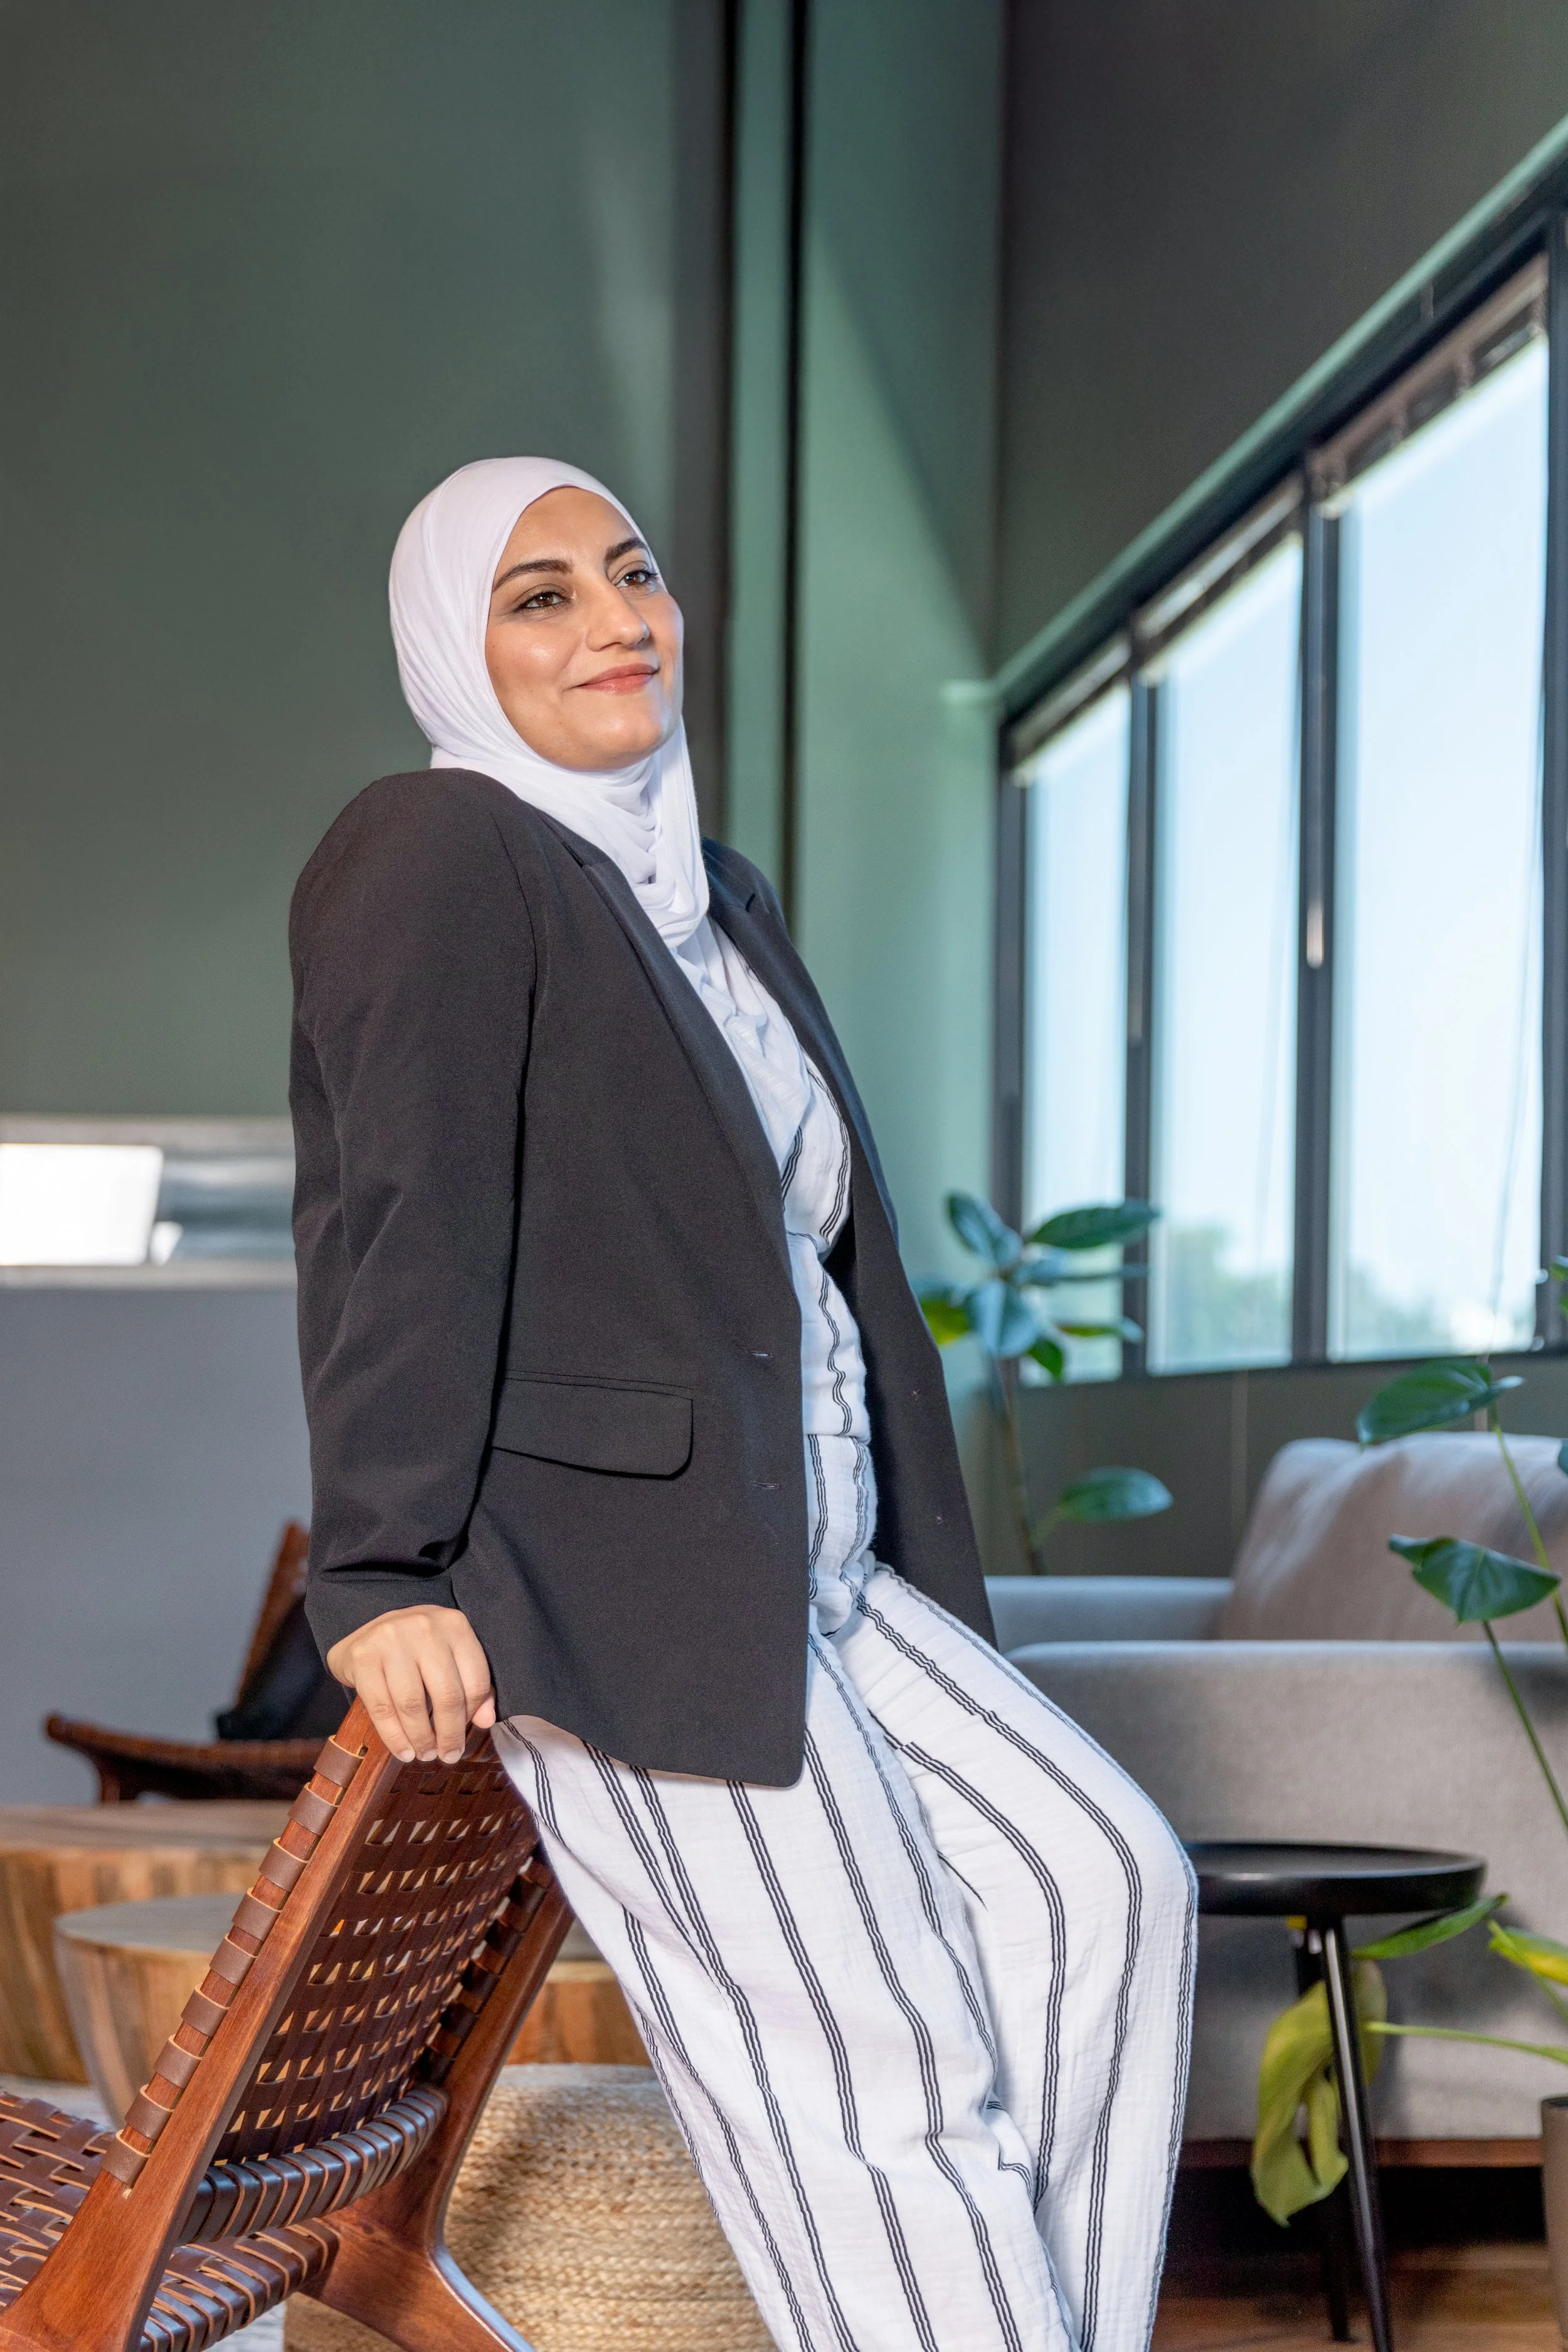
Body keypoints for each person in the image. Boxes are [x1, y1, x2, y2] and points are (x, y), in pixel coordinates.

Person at [291, 455, 1195, 2352]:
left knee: (1103, 1886)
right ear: (454, 648)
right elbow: (406, 1218)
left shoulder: (708, 898)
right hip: (626, 1580)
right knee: (874, 2064)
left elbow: (810, 1267)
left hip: (827, 1570)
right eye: (538, 596)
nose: (616, 622)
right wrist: (379, 1572)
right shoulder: (436, 849)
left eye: (631, 574)